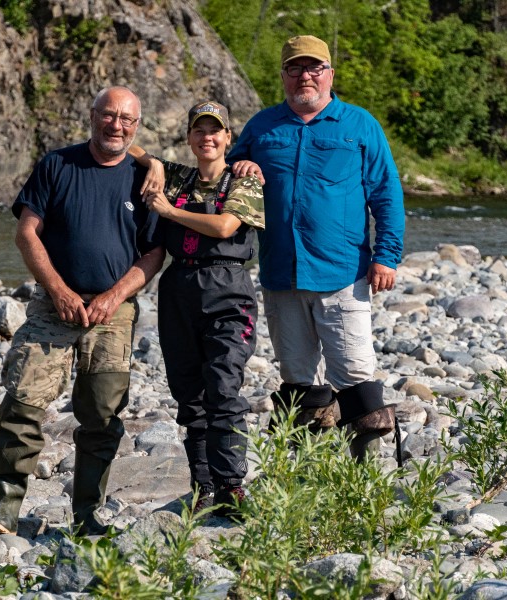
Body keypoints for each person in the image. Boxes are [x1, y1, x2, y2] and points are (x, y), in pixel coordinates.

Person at [0, 86, 164, 537]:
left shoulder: (147, 180)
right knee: (21, 405)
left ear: (136, 125)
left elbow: (155, 254)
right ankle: (5, 511)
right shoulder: (57, 164)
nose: (116, 125)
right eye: (108, 115)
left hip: (113, 313)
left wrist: (114, 296)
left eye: (126, 119)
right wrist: (58, 290)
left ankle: (86, 515)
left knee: (102, 415)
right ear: (92, 114)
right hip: (52, 306)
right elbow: (27, 234)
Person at [228, 35, 405, 460]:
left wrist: (386, 256)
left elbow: (387, 194)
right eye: (295, 68)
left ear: (329, 74)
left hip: (343, 272)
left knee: (356, 377)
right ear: (284, 76)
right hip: (281, 274)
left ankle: (363, 478)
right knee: (297, 380)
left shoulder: (360, 125)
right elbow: (225, 174)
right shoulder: (262, 126)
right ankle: (309, 475)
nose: (305, 76)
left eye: (314, 68)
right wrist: (240, 165)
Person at [130, 100, 265, 514]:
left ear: (227, 138)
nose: (207, 138)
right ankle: (203, 486)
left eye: (215, 131)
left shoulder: (243, 181)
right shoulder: (178, 177)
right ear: (189, 138)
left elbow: (226, 226)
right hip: (180, 288)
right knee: (189, 394)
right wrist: (152, 162)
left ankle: (232, 485)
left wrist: (170, 211)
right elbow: (127, 145)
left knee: (224, 388)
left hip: (228, 287)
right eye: (199, 131)